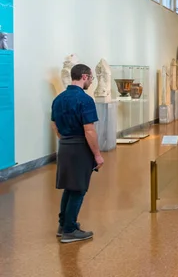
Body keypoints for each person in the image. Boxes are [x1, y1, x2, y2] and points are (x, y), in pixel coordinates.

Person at [51, 64, 104, 243]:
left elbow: (54, 125)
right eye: (91, 78)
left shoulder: (58, 99)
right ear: (84, 77)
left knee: (69, 186)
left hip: (65, 145)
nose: (91, 81)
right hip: (79, 147)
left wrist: (65, 139)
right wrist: (97, 154)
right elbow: (89, 130)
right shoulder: (85, 100)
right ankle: (69, 230)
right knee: (79, 188)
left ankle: (63, 224)